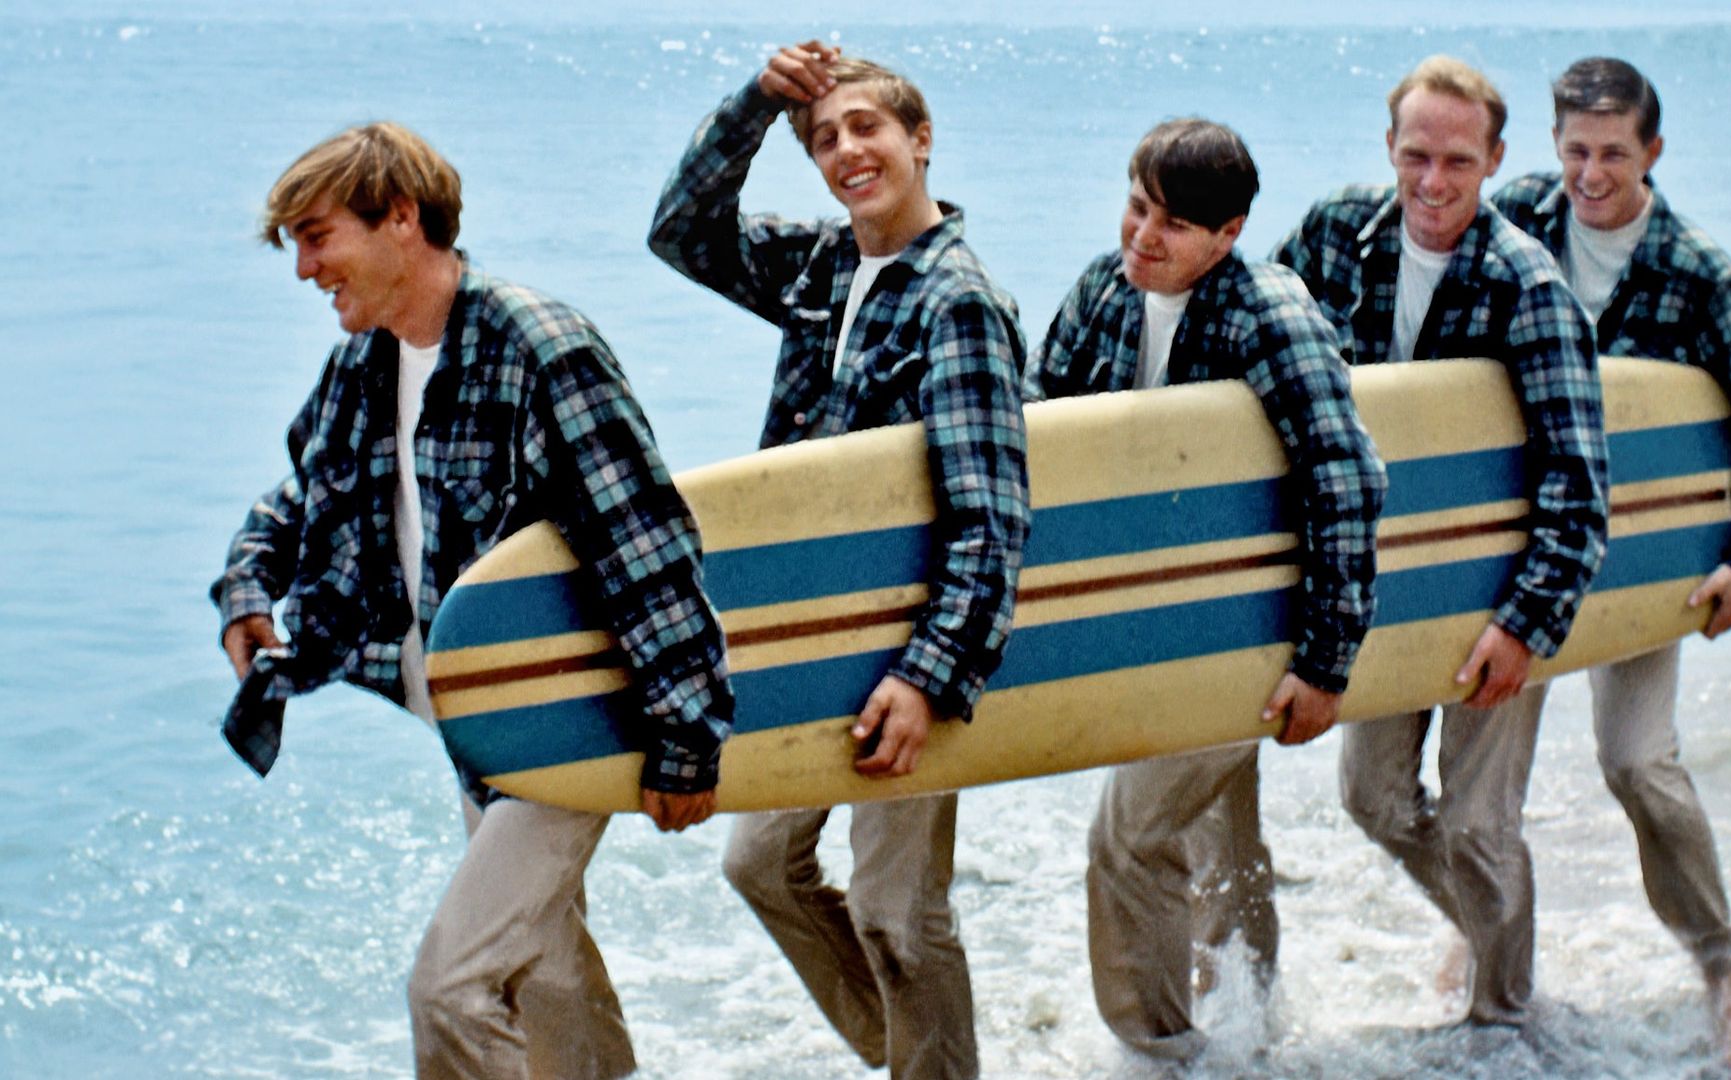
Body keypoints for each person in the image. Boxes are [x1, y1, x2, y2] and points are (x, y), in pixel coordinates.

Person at [211, 123, 735, 1078]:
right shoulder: (367, 362)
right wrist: (251, 586)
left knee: (451, 986)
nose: (304, 270)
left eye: (319, 237)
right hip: (477, 722)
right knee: (545, 972)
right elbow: (303, 493)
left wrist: (687, 736)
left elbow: (647, 545)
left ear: (401, 219)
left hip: (569, 716)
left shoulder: (540, 348)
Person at [649, 41, 1029, 1079]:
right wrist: (757, 104)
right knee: (760, 860)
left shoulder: (959, 302)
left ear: (921, 139)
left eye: (869, 129)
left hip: (909, 645)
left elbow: (991, 516)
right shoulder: (824, 263)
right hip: (811, 635)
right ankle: (911, 1056)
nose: (847, 150)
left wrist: (928, 676)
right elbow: (679, 233)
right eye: (825, 138)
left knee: (899, 911)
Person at [1025, 118, 1387, 1062]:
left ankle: (1157, 1051)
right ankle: (1250, 1030)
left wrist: (1325, 664)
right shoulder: (1104, 289)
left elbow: (1346, 481)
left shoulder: (1270, 315)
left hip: (1246, 632)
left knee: (1127, 841)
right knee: (1218, 844)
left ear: (1227, 235)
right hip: (1151, 623)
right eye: (1138, 208)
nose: (1144, 237)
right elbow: (1040, 425)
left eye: (1175, 226)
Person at [1492, 56, 1731, 1069]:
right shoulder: (1512, 227)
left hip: (1639, 566)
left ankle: (1727, 967)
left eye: (1615, 154)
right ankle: (1488, 959)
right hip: (1525, 557)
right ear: (1553, 147)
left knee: (1636, 762)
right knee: (1480, 794)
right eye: (1576, 152)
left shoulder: (1698, 272)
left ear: (1654, 152)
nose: (1592, 175)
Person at [1273, 55, 1609, 1028]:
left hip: (1501, 590)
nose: (1431, 181)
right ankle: (1489, 932)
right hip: (1382, 583)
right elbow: (1253, 335)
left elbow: (1579, 486)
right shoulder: (1334, 235)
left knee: (1477, 822)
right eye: (1415, 154)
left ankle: (1506, 1020)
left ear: (1496, 160)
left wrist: (1525, 624)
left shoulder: (1530, 288)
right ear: (1389, 147)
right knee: (1374, 800)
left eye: (1457, 162)